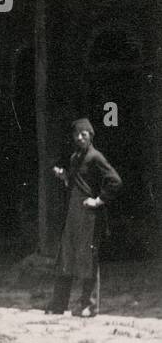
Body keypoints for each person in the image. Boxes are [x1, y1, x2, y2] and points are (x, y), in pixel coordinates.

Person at [46, 118, 122, 318]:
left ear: (91, 136)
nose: (79, 138)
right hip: (72, 215)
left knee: (88, 260)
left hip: (89, 218)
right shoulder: (75, 158)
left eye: (84, 134)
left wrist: (98, 201)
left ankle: (89, 306)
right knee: (65, 257)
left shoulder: (95, 157)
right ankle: (58, 305)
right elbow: (77, 182)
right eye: (76, 135)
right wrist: (64, 176)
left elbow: (114, 180)